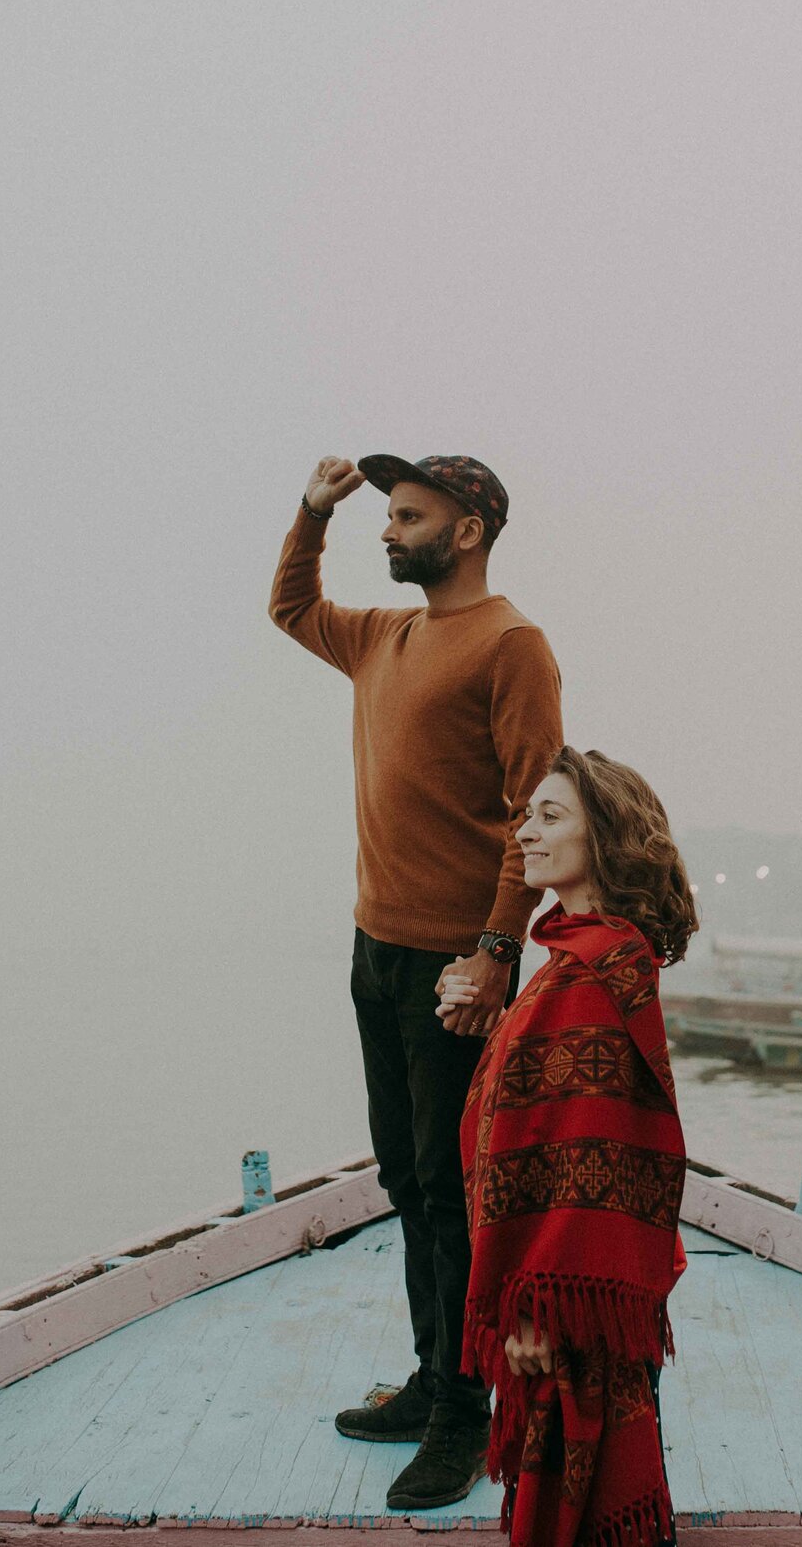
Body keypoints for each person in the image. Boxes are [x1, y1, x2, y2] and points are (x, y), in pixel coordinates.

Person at [272, 453, 563, 1508]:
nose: (385, 531)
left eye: (406, 516)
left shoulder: (510, 645)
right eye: (385, 515)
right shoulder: (382, 636)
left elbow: (535, 809)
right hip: (375, 948)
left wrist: (494, 952)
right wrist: (313, 509)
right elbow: (290, 602)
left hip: (457, 958)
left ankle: (461, 1412)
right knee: (403, 1175)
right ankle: (432, 1375)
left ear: (469, 529)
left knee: (452, 1193)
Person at [454, 747, 693, 1547]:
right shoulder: (576, 954)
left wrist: (536, 1311)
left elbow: (589, 1158)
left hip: (565, 1304)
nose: (525, 831)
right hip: (569, 1292)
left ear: (608, 838)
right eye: (528, 814)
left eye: (550, 816)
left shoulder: (592, 974)